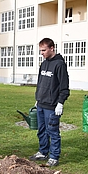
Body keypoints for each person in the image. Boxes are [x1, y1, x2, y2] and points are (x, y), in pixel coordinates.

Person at [29, 38, 70, 167]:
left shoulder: (59, 64)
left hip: (52, 106)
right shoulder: (44, 64)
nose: (42, 53)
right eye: (40, 50)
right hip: (41, 103)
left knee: (52, 131)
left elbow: (64, 87)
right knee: (41, 130)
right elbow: (41, 83)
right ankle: (43, 151)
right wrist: (38, 98)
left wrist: (60, 103)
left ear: (52, 48)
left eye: (44, 50)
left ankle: (54, 156)